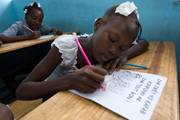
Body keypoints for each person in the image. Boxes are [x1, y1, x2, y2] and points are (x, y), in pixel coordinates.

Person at [16, 2, 149, 101]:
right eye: (112, 39)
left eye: (122, 48)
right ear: (98, 25)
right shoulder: (65, 47)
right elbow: (22, 91)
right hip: (53, 98)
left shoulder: (113, 47)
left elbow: (144, 43)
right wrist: (70, 81)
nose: (113, 50)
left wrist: (125, 55)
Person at [0, 2, 62, 93]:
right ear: (26, 15)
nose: (37, 22)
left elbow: (50, 29)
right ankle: (21, 95)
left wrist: (55, 30)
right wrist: (27, 37)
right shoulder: (18, 25)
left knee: (44, 65)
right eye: (34, 18)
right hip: (16, 61)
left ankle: (39, 91)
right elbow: (2, 37)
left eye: (40, 20)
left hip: (30, 61)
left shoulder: (39, 26)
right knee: (7, 74)